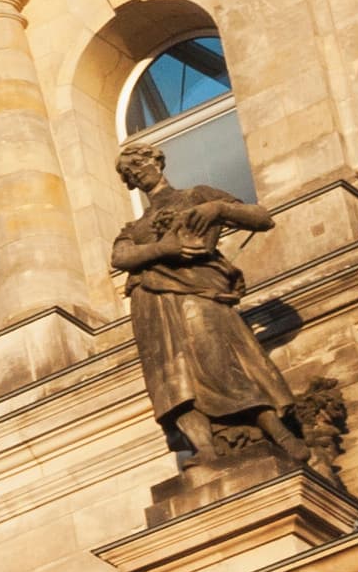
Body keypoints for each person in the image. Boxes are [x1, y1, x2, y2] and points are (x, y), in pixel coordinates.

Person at [111, 143, 309, 464]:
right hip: (150, 302)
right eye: (130, 173)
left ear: (157, 163)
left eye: (140, 165)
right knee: (172, 379)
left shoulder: (197, 196)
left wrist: (219, 209)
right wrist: (165, 249)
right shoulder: (136, 227)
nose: (137, 174)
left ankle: (281, 435)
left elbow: (261, 218)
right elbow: (120, 256)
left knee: (221, 363)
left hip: (199, 292)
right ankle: (203, 448)